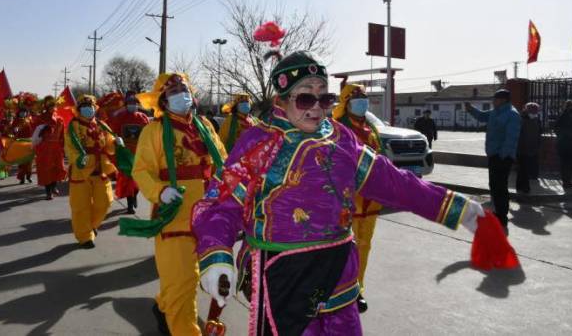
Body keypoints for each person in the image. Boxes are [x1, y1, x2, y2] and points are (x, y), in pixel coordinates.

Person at [192, 51, 486, 335]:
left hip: (341, 271)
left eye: (325, 97)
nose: (317, 107)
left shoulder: (339, 136)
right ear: (280, 100)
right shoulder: (259, 142)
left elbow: (394, 182)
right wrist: (216, 253)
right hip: (285, 273)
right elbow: (221, 204)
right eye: (306, 96)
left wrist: (455, 207)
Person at [132, 73, 227, 336]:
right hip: (174, 218)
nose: (181, 94)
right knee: (184, 281)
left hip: (209, 216)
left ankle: (165, 306)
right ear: (163, 100)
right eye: (173, 91)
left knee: (190, 281)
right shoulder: (153, 131)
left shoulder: (205, 125)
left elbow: (223, 161)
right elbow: (141, 171)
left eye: (183, 89)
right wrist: (159, 192)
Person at [333, 83, 382, 313]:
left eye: (364, 100)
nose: (362, 104)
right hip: (347, 200)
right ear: (346, 104)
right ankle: (343, 288)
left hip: (371, 200)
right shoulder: (338, 131)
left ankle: (358, 289)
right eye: (356, 101)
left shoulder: (372, 130)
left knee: (365, 245)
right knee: (346, 247)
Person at [64, 94, 117, 248]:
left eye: (91, 106)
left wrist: (116, 143)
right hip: (81, 171)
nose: (88, 109)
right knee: (80, 206)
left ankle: (91, 225)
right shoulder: (73, 126)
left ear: (95, 108)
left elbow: (109, 145)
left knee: (106, 202)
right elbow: (70, 147)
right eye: (84, 107)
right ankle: (85, 236)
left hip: (101, 169)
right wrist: (78, 158)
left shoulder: (102, 125)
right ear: (79, 109)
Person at [465, 89, 520, 233]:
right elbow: (482, 116)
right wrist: (471, 109)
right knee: (494, 185)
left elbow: (511, 138)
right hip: (493, 155)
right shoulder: (495, 112)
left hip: (503, 157)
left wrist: (503, 155)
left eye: (495, 99)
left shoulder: (512, 115)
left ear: (503, 100)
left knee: (501, 187)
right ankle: (498, 212)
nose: (493, 101)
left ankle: (502, 217)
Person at [109, 92, 150, 213]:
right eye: (130, 103)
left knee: (138, 180)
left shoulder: (143, 118)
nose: (132, 105)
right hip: (125, 154)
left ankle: (135, 195)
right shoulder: (119, 117)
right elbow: (113, 134)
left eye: (134, 103)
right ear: (126, 105)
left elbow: (148, 135)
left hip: (139, 154)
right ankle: (130, 205)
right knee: (127, 179)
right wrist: (116, 142)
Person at [33, 96, 67, 200]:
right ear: (46, 107)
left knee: (57, 167)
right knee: (46, 169)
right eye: (51, 106)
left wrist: (63, 147)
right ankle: (48, 192)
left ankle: (54, 186)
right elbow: (35, 133)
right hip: (45, 147)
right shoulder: (40, 118)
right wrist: (42, 129)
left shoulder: (60, 119)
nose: (53, 108)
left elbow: (62, 135)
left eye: (54, 106)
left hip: (57, 147)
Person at [516, 102, 542, 193]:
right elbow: (518, 134)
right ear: (527, 110)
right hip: (522, 148)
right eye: (533, 111)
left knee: (523, 169)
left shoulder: (536, 120)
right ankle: (525, 188)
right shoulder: (521, 119)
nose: (535, 113)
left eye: (536, 111)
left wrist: (538, 145)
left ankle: (520, 187)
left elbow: (539, 133)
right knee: (524, 169)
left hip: (532, 148)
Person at [554, 100, 572, 189]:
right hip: (564, 144)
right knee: (565, 164)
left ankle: (568, 181)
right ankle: (566, 182)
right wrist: (569, 135)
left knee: (571, 164)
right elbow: (557, 129)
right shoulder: (563, 116)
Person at [8, 107, 35, 183]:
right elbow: (11, 130)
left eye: (24, 112)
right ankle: (22, 178)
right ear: (18, 113)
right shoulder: (16, 121)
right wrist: (14, 129)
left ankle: (29, 176)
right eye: (21, 112)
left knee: (29, 162)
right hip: (19, 143)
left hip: (29, 142)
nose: (23, 113)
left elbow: (34, 129)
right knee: (21, 162)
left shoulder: (29, 120)